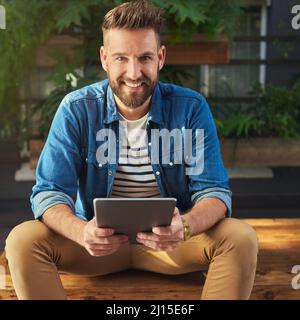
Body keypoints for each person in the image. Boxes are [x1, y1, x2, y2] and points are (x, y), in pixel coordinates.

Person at [5, 0, 258, 300]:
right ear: (104, 58)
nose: (134, 73)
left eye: (145, 57)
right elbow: (49, 193)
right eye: (121, 58)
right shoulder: (76, 109)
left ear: (161, 57)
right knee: (21, 240)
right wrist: (81, 232)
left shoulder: (190, 108)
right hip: (96, 248)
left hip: (171, 248)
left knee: (241, 238)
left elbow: (214, 193)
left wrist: (185, 227)